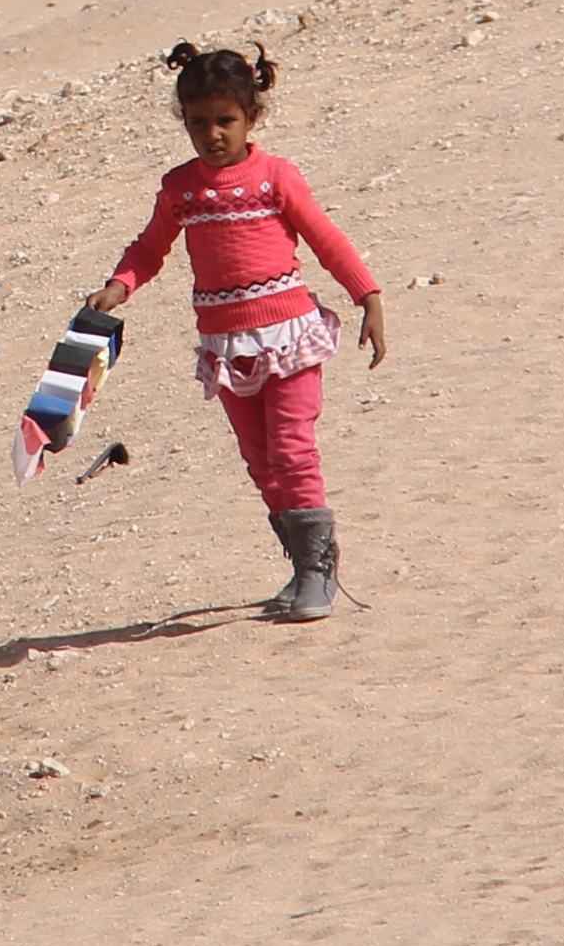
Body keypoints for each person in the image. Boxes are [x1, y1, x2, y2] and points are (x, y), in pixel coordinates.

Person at [88, 40, 385, 621]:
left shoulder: (276, 177)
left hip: (289, 336)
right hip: (228, 346)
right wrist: (119, 285)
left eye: (225, 120)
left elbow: (326, 238)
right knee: (259, 458)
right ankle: (304, 563)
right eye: (198, 123)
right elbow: (150, 249)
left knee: (292, 448)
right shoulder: (181, 189)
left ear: (252, 116)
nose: (212, 134)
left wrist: (367, 295)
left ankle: (317, 573)